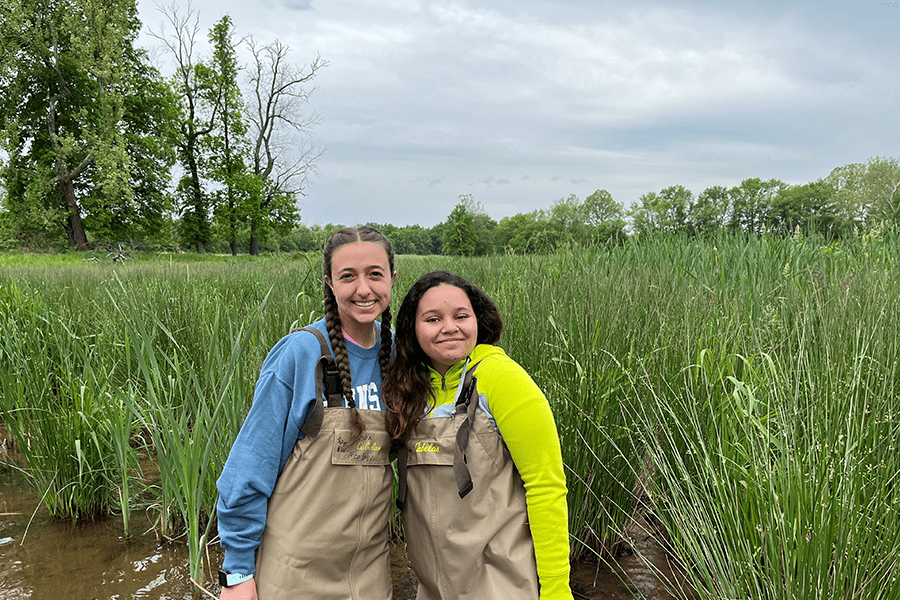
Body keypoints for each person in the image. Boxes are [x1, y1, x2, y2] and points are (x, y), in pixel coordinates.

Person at [216, 226, 397, 600]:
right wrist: (237, 572)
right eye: (348, 276)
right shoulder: (301, 354)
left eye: (375, 274)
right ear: (330, 283)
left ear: (392, 279)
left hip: (370, 570)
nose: (363, 289)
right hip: (296, 571)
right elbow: (250, 465)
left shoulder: (397, 356)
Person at [384, 270, 574, 600]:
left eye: (461, 316)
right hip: (432, 586)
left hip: (503, 584)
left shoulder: (503, 379)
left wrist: (557, 589)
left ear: (478, 321)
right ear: (412, 329)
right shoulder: (408, 388)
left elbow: (546, 486)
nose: (449, 327)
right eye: (432, 318)